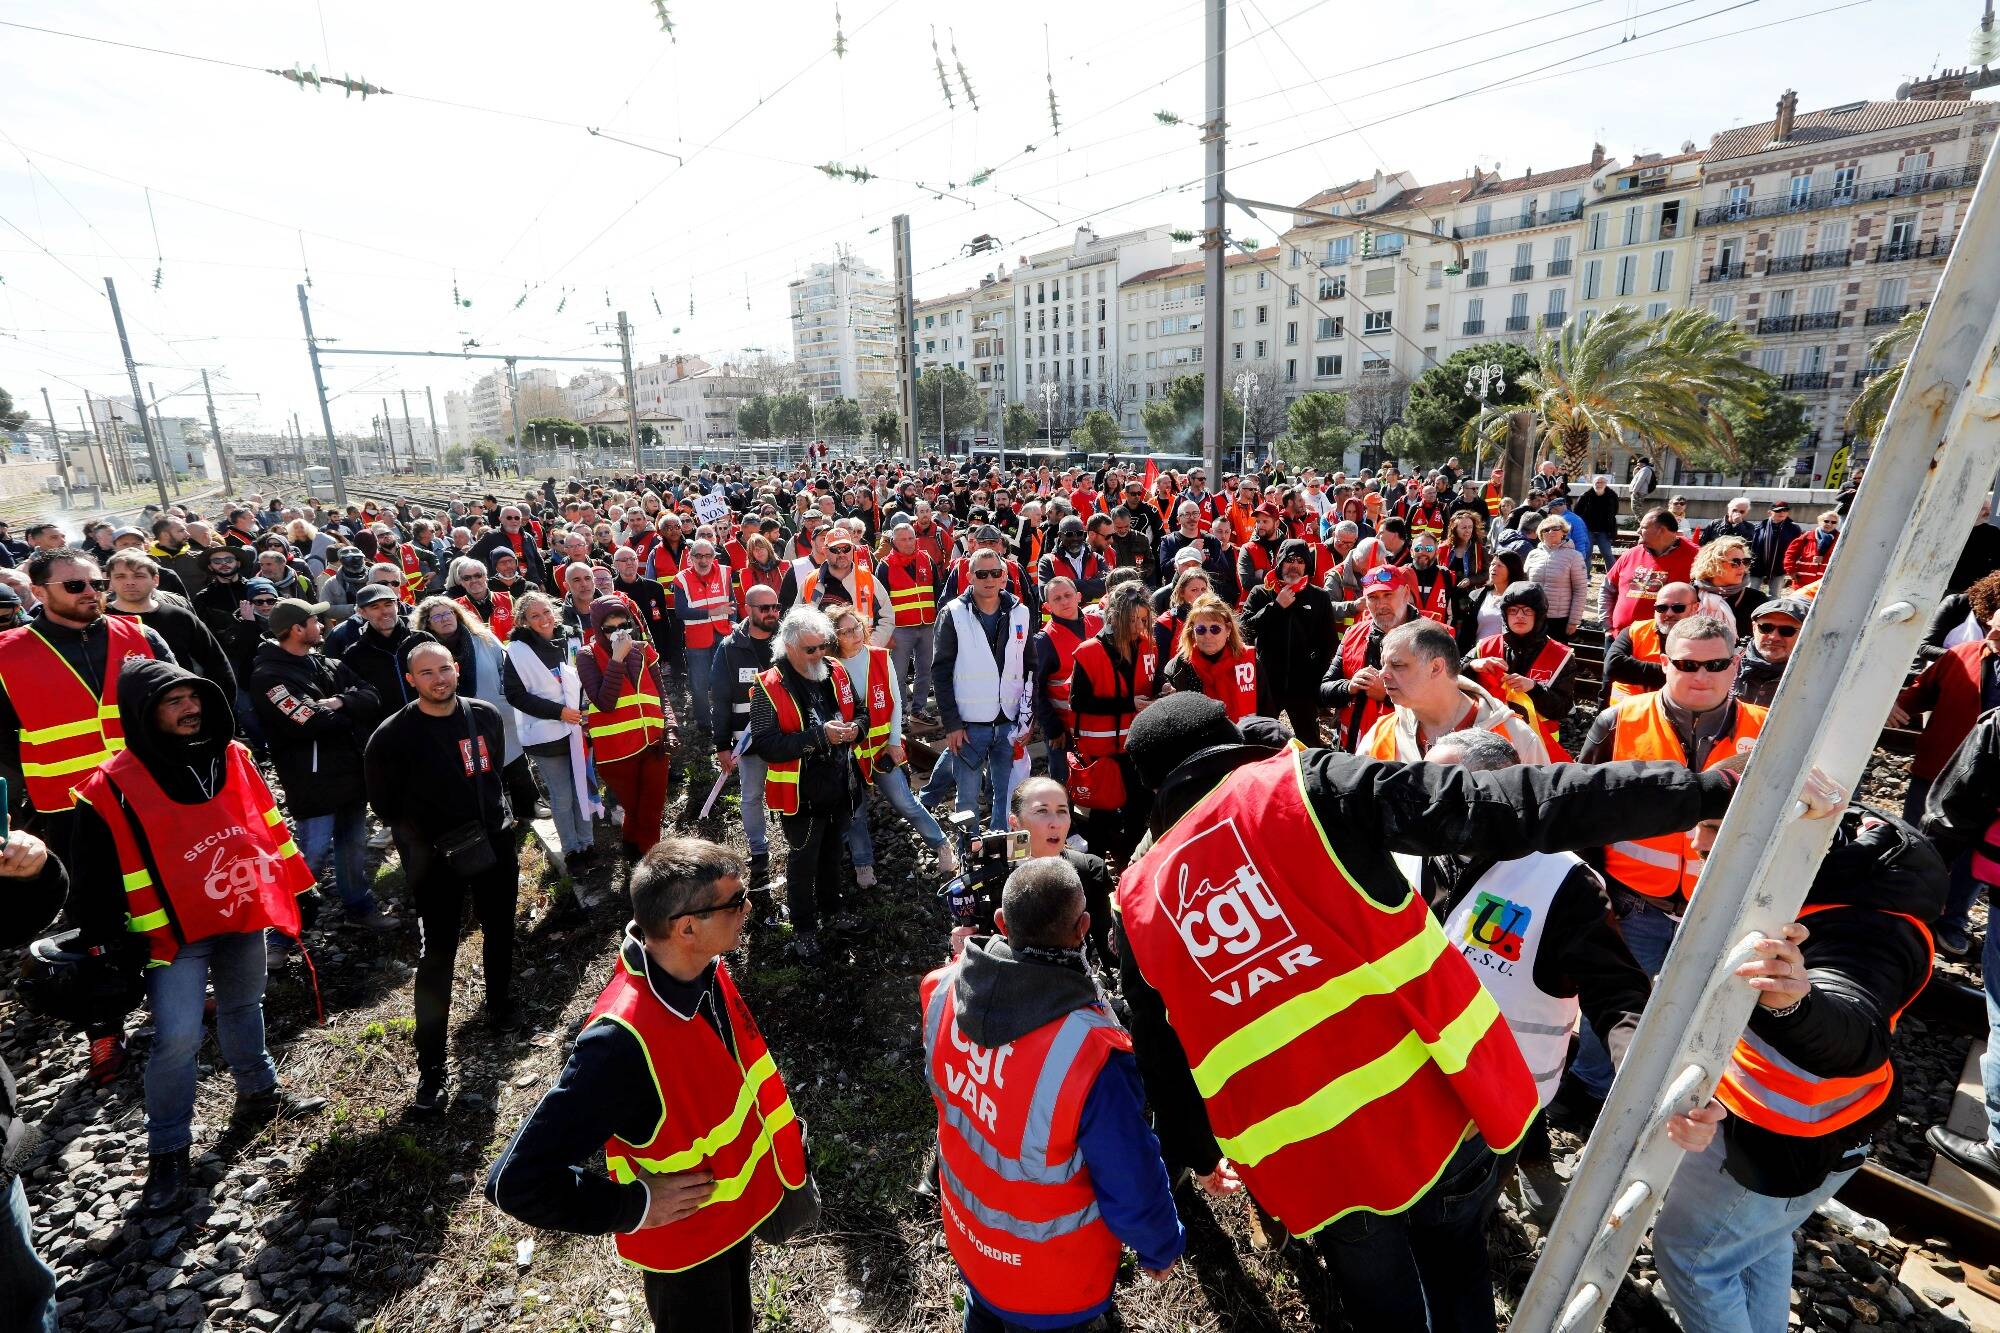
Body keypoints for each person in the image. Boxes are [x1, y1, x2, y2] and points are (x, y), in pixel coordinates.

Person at [1110, 692, 1814, 1333]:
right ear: (1234, 739)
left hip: (1313, 1156)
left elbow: (1162, 1052)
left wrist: (1199, 1154)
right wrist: (1704, 788)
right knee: (1456, 1265)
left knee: (1379, 1302)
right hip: (1442, 1105)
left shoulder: (1136, 899)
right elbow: (1512, 800)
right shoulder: (1307, 786)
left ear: (1152, 787)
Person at [485, 838, 809, 1333]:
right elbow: (515, 1182)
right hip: (685, 1255)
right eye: (735, 901)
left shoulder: (703, 967)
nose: (748, 907)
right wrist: (633, 1205)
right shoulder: (619, 1043)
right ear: (686, 927)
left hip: (731, 1223)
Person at [1655, 809, 1939, 1333]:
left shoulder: (1864, 926)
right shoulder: (1840, 888)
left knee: (1693, 1259)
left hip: (1778, 1139)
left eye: (1717, 828)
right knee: (1753, 1243)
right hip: (1817, 1128)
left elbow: (1854, 1026)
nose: (1696, 843)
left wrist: (1796, 1005)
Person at [69, 658, 323, 1214]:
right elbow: (92, 879)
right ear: (142, 713)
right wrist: (109, 941)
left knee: (244, 1006)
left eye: (194, 698)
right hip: (171, 936)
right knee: (177, 1040)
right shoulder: (108, 787)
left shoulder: (231, 757)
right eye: (173, 701)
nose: (190, 709)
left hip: (240, 913)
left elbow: (266, 823)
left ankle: (259, 1093)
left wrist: (295, 882)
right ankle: (168, 1150)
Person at [921, 857, 1184, 1332]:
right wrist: (1160, 1244)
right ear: (1083, 928)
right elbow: (1130, 1171)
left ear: (1001, 923)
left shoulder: (941, 992)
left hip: (970, 1241)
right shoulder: (1090, 1053)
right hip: (1052, 1281)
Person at [1563, 615, 1769, 1124]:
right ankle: (1591, 1086)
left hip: (1721, 907)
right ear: (1663, 664)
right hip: (1634, 901)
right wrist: (1593, 894)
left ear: (1736, 664)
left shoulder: (1767, 729)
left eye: (1716, 664)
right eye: (1686, 664)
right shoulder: (1619, 721)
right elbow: (1584, 813)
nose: (1702, 675)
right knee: (1613, 1000)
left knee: (1710, 1010)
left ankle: (1693, 1100)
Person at [0, 549, 169, 1083]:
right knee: (94, 915)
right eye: (75, 586)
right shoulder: (7, 653)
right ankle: (104, 1026)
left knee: (164, 892)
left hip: (144, 795)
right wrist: (25, 798)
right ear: (39, 590)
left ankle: (177, 992)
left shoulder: (138, 634)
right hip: (68, 809)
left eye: (95, 583)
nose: (91, 592)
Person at [365, 640, 522, 1117]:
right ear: (410, 680)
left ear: (456, 669)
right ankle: (431, 1063)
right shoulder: (392, 737)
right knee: (438, 955)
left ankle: (499, 1009)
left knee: (500, 929)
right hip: (434, 860)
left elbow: (494, 770)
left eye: (445, 669)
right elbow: (385, 805)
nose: (439, 679)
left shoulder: (483, 716)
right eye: (426, 673)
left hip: (493, 844)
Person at [250, 597, 398, 933]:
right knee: (310, 857)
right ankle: (283, 934)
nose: (323, 626)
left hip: (350, 774)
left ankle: (359, 909)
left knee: (353, 850)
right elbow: (310, 721)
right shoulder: (268, 677)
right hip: (312, 784)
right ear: (297, 629)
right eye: (316, 621)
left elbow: (372, 697)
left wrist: (340, 701)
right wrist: (349, 713)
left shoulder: (327, 664)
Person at [1889, 588, 2000, 958]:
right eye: (1990, 629)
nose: (1991, 638)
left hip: (1992, 787)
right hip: (1937, 772)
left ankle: (1951, 919)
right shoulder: (1961, 656)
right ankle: (1908, 914)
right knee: (1920, 843)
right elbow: (1918, 694)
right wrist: (1892, 704)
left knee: (1975, 856)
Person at [748, 606, 861, 961]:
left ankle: (834, 913)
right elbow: (765, 745)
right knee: (802, 863)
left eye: (823, 647)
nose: (819, 655)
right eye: (810, 649)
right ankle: (804, 931)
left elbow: (861, 711)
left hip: (840, 783)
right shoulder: (769, 685)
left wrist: (857, 728)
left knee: (832, 856)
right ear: (789, 647)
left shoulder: (836, 671)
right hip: (800, 793)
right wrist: (819, 736)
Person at [828, 603, 956, 885]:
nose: (855, 635)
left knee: (906, 802)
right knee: (856, 813)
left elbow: (896, 700)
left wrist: (896, 739)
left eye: (857, 627)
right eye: (846, 631)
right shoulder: (829, 666)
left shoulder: (879, 656)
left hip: (882, 748)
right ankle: (864, 866)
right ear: (834, 637)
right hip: (850, 755)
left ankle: (942, 845)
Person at [418, 595, 540, 831]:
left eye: (448, 613)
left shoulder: (482, 638)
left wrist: (506, 694)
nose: (445, 619)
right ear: (428, 623)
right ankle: (499, 816)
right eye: (437, 617)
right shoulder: (427, 652)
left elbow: (506, 665)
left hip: (497, 711)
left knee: (515, 762)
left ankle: (528, 808)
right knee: (482, 769)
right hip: (458, 719)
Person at [934, 548, 1034, 830]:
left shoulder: (1021, 612)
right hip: (969, 726)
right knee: (966, 800)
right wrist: (952, 724)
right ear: (969, 577)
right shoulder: (952, 613)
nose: (989, 579)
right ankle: (970, 855)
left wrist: (1028, 716)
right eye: (982, 574)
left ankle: (1000, 852)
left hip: (1008, 721)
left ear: (1004, 576)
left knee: (1006, 796)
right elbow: (940, 673)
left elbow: (1030, 667)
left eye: (996, 573)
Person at [1357, 620, 1548, 764]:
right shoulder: (1383, 732)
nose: (1382, 674)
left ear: (1436, 667)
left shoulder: (1515, 736)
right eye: (1383, 665)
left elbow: (1541, 811)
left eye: (1397, 665)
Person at [578, 597, 682, 859]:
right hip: (617, 751)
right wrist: (616, 659)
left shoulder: (644, 650)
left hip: (654, 743)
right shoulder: (586, 655)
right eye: (609, 629)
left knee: (651, 809)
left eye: (623, 626)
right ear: (597, 629)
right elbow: (605, 703)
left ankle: (652, 864)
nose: (618, 633)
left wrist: (670, 727)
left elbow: (661, 694)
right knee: (635, 809)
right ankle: (633, 852)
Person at [503, 592, 597, 875]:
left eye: (546, 612)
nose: (543, 619)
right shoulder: (517, 650)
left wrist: (587, 709)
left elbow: (584, 677)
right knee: (562, 795)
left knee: (584, 789)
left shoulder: (571, 637)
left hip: (579, 729)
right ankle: (571, 850)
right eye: (535, 616)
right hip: (547, 737)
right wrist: (558, 712)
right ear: (524, 621)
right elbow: (515, 695)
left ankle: (588, 842)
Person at [1066, 581, 1158, 864]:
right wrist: (1127, 704)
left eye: (1143, 619)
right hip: (1103, 747)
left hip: (1138, 743)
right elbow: (1079, 703)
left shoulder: (1147, 644)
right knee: (1104, 810)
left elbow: (1150, 684)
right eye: (1132, 619)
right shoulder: (1088, 651)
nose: (1138, 625)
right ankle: (1094, 867)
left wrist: (1161, 689)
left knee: (1139, 806)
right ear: (1116, 616)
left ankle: (1130, 863)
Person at [710, 584, 783, 911]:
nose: (771, 613)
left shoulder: (787, 640)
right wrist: (723, 745)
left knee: (794, 789)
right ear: (748, 609)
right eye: (764, 607)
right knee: (752, 795)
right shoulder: (729, 648)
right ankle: (758, 850)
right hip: (748, 739)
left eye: (775, 606)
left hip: (786, 736)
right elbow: (720, 700)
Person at [1465, 582, 1578, 760]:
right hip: (1489, 743)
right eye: (1513, 610)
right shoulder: (1484, 647)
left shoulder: (1562, 656)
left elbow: (1562, 708)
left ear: (1539, 615)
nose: (1519, 616)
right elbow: (1450, 679)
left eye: (1527, 611)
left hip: (1541, 747)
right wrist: (1471, 666)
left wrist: (1534, 688)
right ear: (1505, 614)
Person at [1240, 538, 1336, 745]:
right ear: (1280, 562)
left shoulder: (1319, 597)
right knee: (1260, 742)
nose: (1294, 565)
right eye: (1289, 559)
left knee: (1310, 743)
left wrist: (1317, 677)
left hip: (1303, 684)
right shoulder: (1261, 592)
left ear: (1307, 566)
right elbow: (1244, 630)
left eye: (1300, 561)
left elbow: (1329, 642)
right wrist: (1275, 607)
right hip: (1268, 682)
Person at [104, 549, 236, 692]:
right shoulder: (99, 619)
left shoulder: (180, 617)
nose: (130, 583)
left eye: (139, 576)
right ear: (110, 581)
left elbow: (218, 666)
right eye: (120, 576)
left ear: (155, 580)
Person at [1321, 566, 1421, 752]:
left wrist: (1386, 696)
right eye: (1373, 597)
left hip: (1404, 757)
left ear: (1406, 593)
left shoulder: (1433, 639)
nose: (1380, 604)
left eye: (1388, 594)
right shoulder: (1353, 634)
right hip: (1352, 750)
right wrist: (1349, 686)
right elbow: (1325, 691)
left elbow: (1441, 706)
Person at [1029, 576, 1100, 788]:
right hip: (1064, 729)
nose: (1064, 601)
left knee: (1101, 777)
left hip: (1100, 722)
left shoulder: (1099, 624)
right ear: (1047, 606)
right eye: (1057, 598)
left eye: (1068, 595)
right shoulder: (1044, 640)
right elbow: (1036, 689)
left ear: (1079, 596)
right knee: (1063, 781)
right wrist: (1052, 728)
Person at [1162, 593, 1258, 722]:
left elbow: (1267, 709)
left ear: (1228, 629)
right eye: (1201, 629)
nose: (1208, 635)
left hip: (1245, 737)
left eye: (1215, 629)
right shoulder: (1180, 666)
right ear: (1192, 632)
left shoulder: (1249, 660)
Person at [878, 521, 940, 719]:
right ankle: (901, 713)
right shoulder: (885, 565)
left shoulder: (927, 560)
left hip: (927, 626)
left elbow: (938, 592)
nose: (908, 542)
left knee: (926, 670)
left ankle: (919, 709)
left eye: (911, 538)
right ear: (893, 541)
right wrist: (886, 633)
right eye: (903, 539)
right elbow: (880, 603)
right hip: (900, 629)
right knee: (899, 674)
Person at [672, 540, 735, 736]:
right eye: (698, 556)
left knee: (725, 680)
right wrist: (712, 611)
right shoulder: (681, 578)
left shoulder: (724, 572)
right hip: (697, 639)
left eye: (708, 555)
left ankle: (727, 719)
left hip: (724, 634)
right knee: (699, 683)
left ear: (714, 557)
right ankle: (704, 724)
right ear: (690, 558)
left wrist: (733, 622)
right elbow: (681, 612)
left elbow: (732, 604)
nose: (703, 560)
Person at [1604, 581, 1700, 704]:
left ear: (1695, 608)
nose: (1669, 613)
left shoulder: (1705, 638)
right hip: (1629, 713)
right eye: (1662, 608)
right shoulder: (1635, 631)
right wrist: (1676, 673)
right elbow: (1613, 666)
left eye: (1678, 608)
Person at [1604, 508, 1699, 632]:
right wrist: (1607, 626)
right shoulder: (1631, 554)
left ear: (1661, 530)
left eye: (1643, 527)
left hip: (1665, 640)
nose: (1638, 531)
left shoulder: (1696, 557)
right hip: (1618, 636)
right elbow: (1607, 588)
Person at [1734, 597, 1806, 708]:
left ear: (1805, 633)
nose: (1774, 637)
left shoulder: (1811, 676)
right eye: (1766, 628)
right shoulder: (1726, 664)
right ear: (1754, 628)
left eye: (1787, 630)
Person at [1524, 515, 1587, 640]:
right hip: (1533, 615)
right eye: (1546, 530)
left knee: (1556, 657)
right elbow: (1525, 584)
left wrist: (1574, 620)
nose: (1550, 532)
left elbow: (1580, 590)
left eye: (1555, 528)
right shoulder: (1533, 555)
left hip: (1559, 619)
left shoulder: (1574, 556)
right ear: (1540, 534)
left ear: (1563, 531)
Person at [450, 557, 515, 639]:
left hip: (507, 651)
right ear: (461, 582)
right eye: (467, 578)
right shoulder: (455, 606)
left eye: (478, 575)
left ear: (485, 577)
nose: (473, 580)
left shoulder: (508, 599)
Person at [1748, 500, 1803, 596]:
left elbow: (1797, 549)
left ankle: (1772, 611)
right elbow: (1752, 546)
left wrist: (1793, 566)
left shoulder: (1794, 528)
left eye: (1785, 510)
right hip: (1757, 566)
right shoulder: (1759, 526)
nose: (1782, 513)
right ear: (1770, 512)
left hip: (1779, 567)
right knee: (1750, 592)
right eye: (1778, 510)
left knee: (1775, 595)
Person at [1572, 474, 1622, 573]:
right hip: (1588, 530)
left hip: (1604, 530)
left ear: (1606, 484)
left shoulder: (1612, 496)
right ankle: (1586, 577)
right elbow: (1577, 512)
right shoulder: (1585, 496)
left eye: (1601, 482)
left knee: (1607, 554)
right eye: (1597, 482)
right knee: (1586, 553)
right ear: (1593, 483)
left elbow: (1615, 511)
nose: (1599, 484)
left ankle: (1612, 576)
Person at [1783, 509, 1841, 588]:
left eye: (1833, 522)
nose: (1829, 524)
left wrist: (1824, 559)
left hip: (1825, 583)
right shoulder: (1808, 535)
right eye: (1826, 521)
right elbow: (1791, 553)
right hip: (1803, 581)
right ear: (1820, 521)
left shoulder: (1840, 539)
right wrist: (1791, 571)